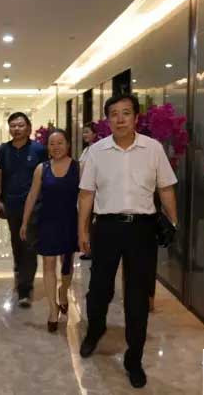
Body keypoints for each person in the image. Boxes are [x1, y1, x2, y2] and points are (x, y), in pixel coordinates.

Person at [78, 94, 178, 389]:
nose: (120, 119)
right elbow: (86, 194)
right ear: (107, 119)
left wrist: (173, 223)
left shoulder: (153, 148)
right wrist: (82, 231)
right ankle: (95, 330)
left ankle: (134, 358)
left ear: (136, 117)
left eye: (125, 113)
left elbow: (166, 188)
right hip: (106, 228)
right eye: (114, 114)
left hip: (141, 230)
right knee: (99, 289)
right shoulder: (96, 152)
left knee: (137, 295)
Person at [20, 129, 78, 332]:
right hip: (47, 222)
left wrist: (86, 225)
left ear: (68, 144)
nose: (56, 147)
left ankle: (63, 291)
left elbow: (86, 196)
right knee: (48, 263)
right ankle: (53, 310)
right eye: (52, 144)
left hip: (70, 221)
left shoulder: (78, 167)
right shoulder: (42, 168)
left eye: (60, 142)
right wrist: (25, 222)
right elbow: (32, 195)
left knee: (67, 265)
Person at [0, 112, 47, 307]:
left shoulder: (39, 149)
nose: (16, 129)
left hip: (34, 206)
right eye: (13, 125)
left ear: (28, 128)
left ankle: (26, 288)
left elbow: (46, 176)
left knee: (29, 244)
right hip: (11, 204)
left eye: (20, 125)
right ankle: (19, 269)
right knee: (16, 241)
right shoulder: (3, 149)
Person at [78, 122, 98, 261]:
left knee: (91, 221)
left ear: (95, 134)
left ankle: (93, 249)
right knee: (86, 220)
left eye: (87, 132)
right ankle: (88, 248)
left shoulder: (96, 150)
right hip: (83, 188)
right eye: (83, 132)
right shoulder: (86, 150)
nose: (84, 134)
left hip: (93, 191)